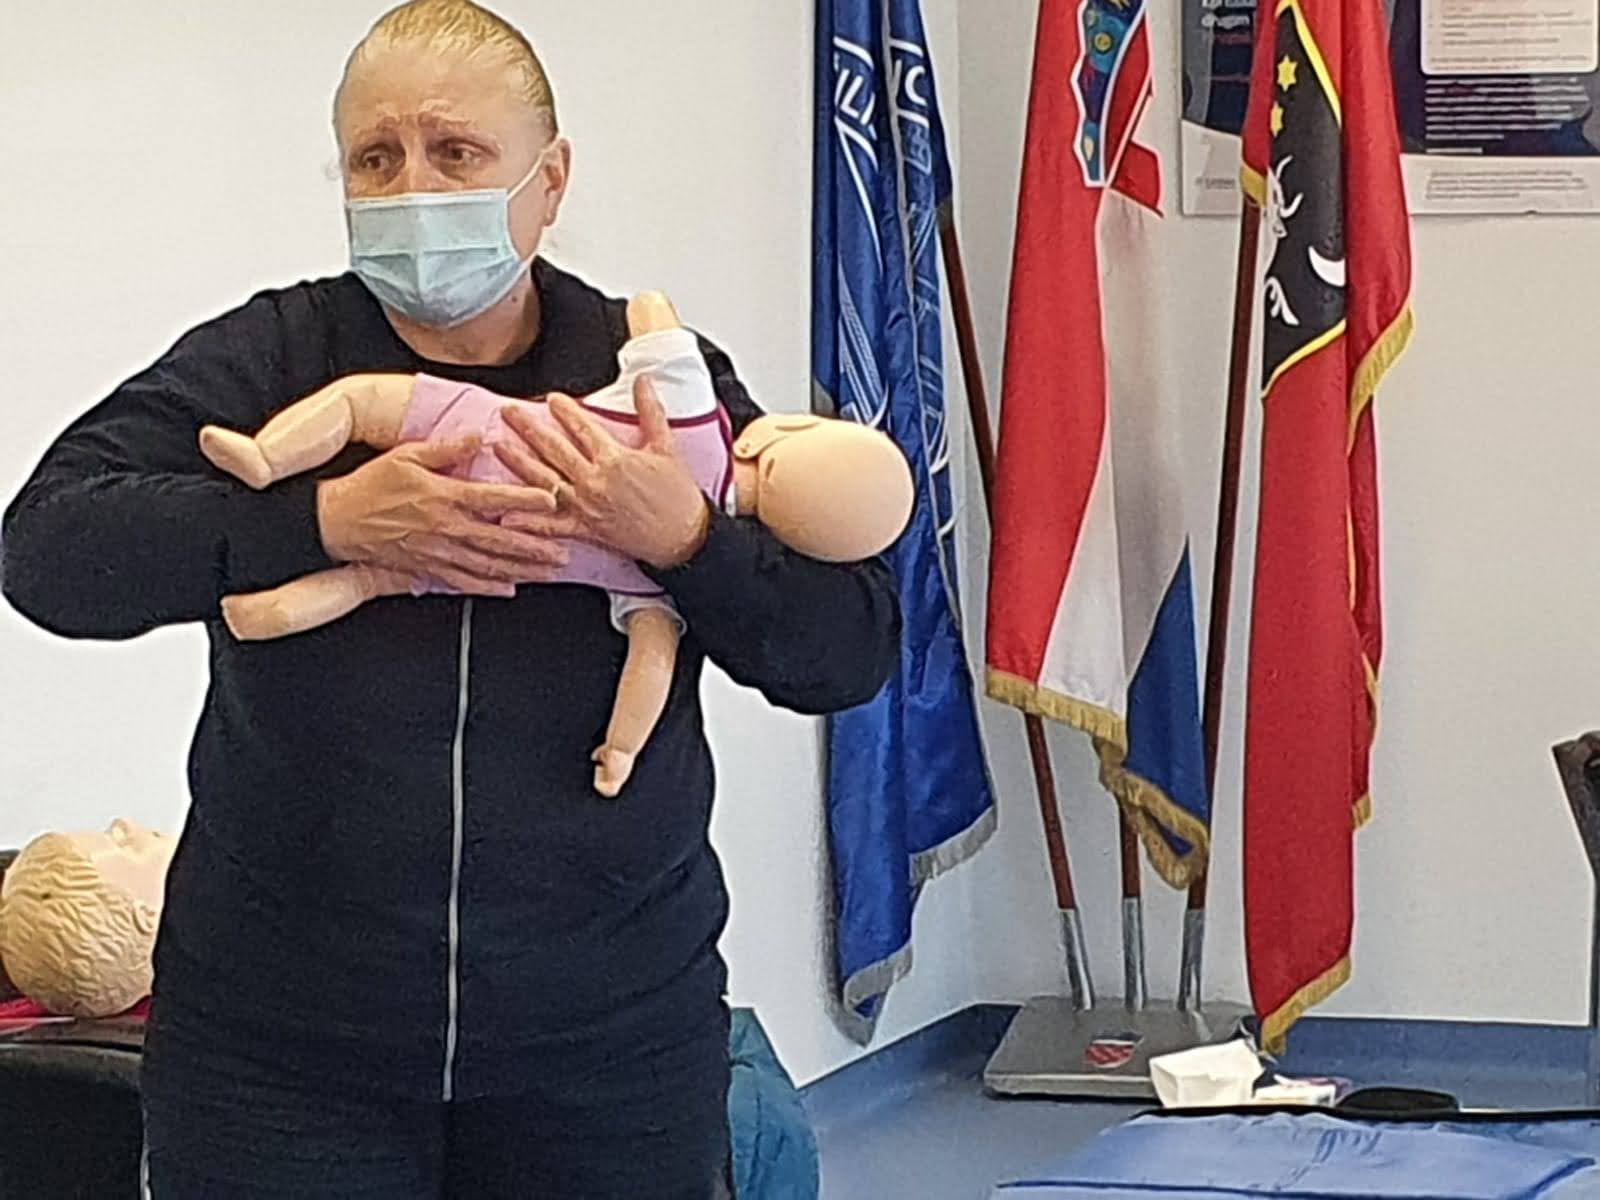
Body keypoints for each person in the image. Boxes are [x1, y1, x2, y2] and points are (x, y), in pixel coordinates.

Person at [0, 2, 900, 1196]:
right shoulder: (273, 356)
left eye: (456, 152)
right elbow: (48, 549)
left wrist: (685, 541)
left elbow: (848, 651)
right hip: (280, 1051)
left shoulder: (649, 380)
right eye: (375, 158)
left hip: (608, 1046)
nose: (412, 189)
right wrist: (321, 520)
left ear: (549, 178)